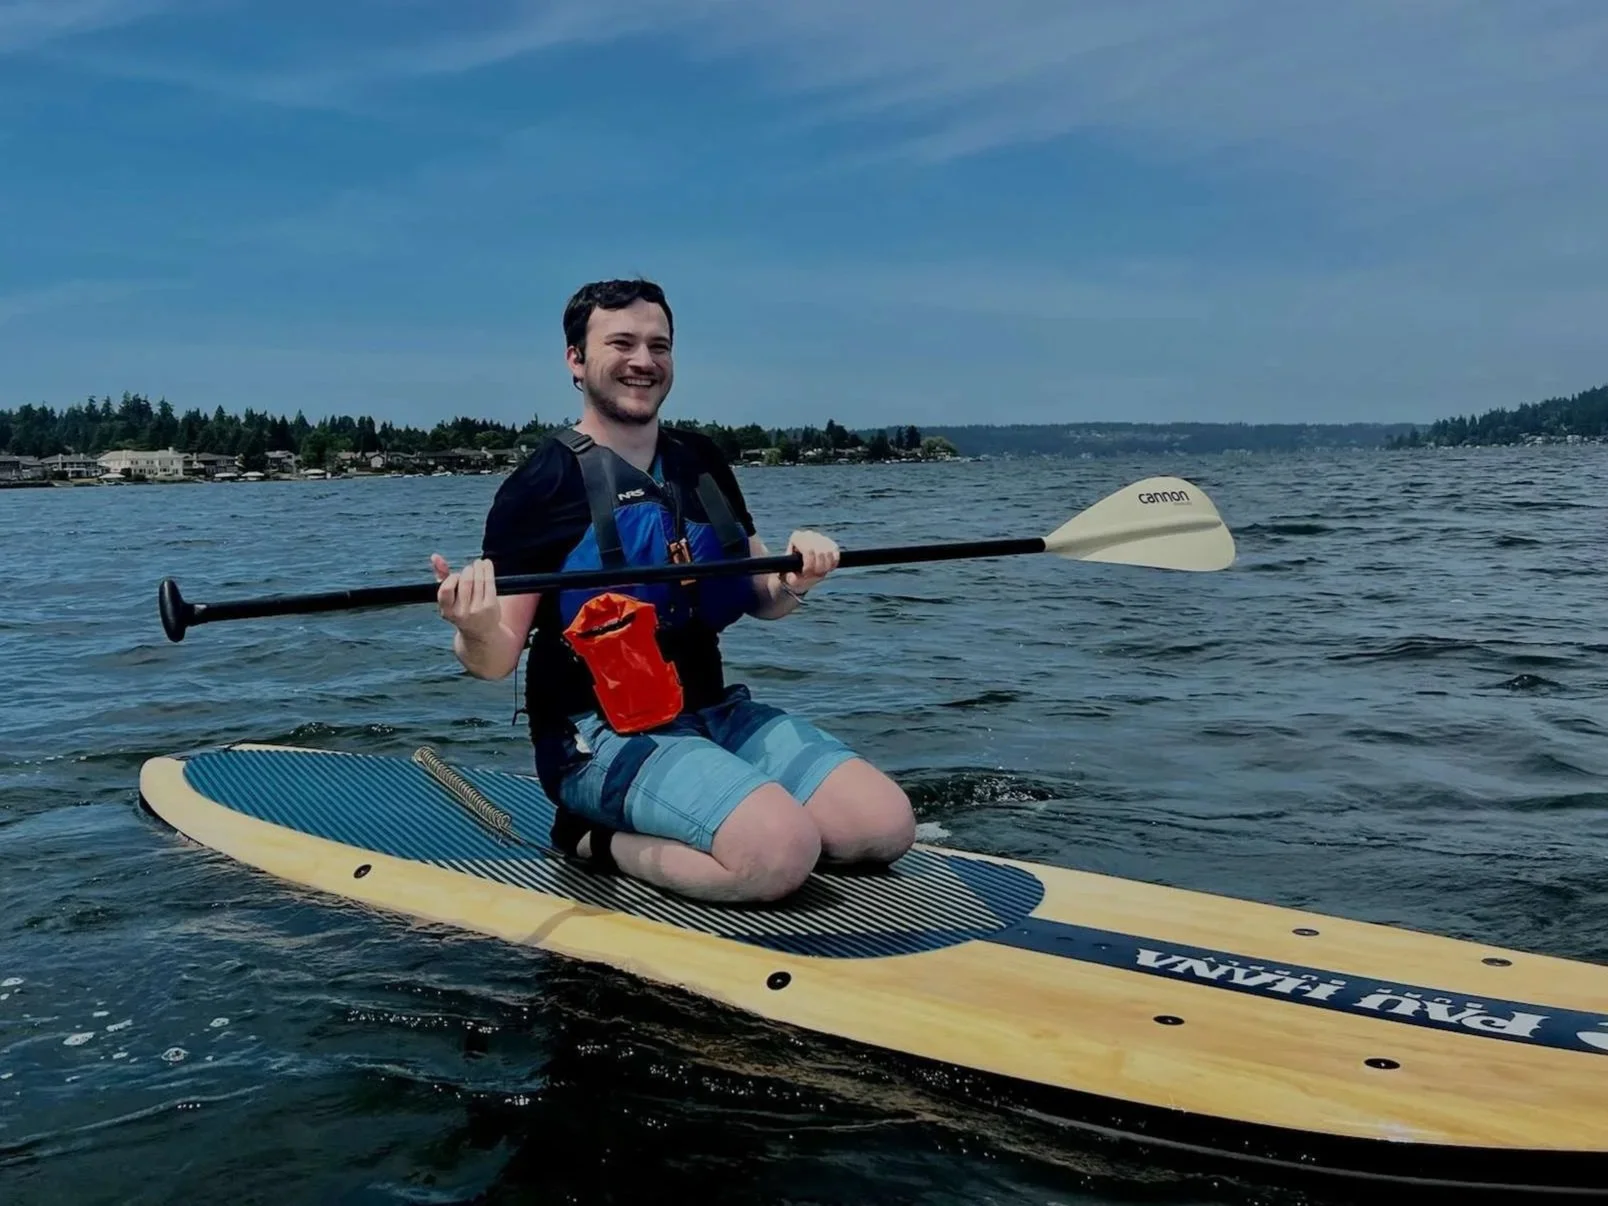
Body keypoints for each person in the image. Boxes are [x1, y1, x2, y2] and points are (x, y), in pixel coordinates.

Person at [430, 278, 916, 903]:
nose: (643, 361)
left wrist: (796, 579)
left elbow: (761, 595)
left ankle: (731, 810)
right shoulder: (540, 486)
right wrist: (472, 627)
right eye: (622, 343)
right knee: (777, 853)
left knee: (883, 827)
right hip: (596, 734)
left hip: (711, 711)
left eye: (659, 345)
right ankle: (587, 835)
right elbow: (495, 661)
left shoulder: (702, 460)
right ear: (575, 360)